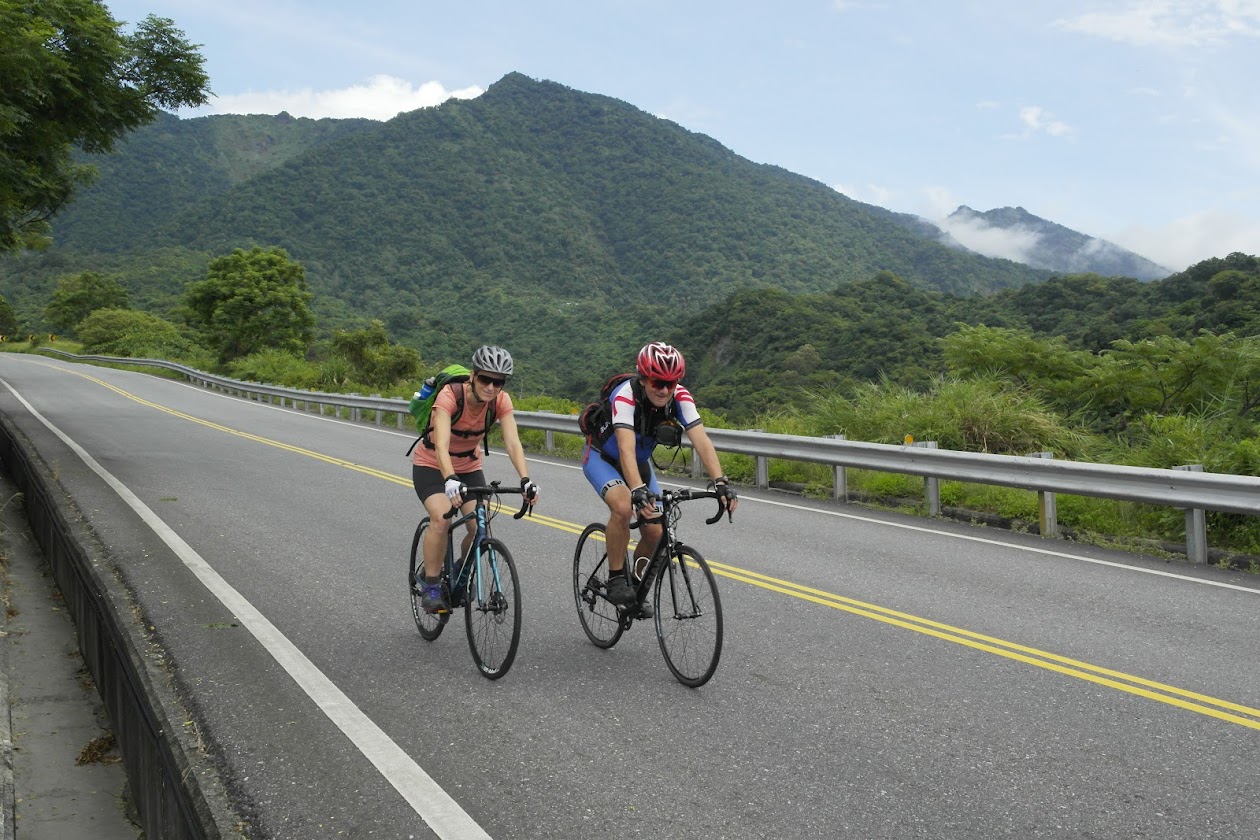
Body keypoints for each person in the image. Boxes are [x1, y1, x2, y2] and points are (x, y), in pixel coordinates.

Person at [582, 341, 736, 616]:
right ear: (643, 378)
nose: (664, 390)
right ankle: (617, 577)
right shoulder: (625, 396)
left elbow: (701, 440)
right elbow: (625, 450)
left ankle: (636, 586)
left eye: (670, 383)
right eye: (657, 382)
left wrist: (720, 482)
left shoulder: (680, 397)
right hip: (603, 458)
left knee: (655, 532)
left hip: (639, 463)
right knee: (622, 506)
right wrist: (638, 491)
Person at [412, 345, 539, 613]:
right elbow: (442, 445)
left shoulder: (501, 401)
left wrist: (526, 479)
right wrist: (449, 478)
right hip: (433, 464)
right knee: (442, 517)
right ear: (473, 375)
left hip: (469, 465)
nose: (491, 387)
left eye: (498, 382)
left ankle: (459, 568)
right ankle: (431, 585)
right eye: (485, 379)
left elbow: (513, 443)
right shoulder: (450, 396)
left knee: (480, 525)